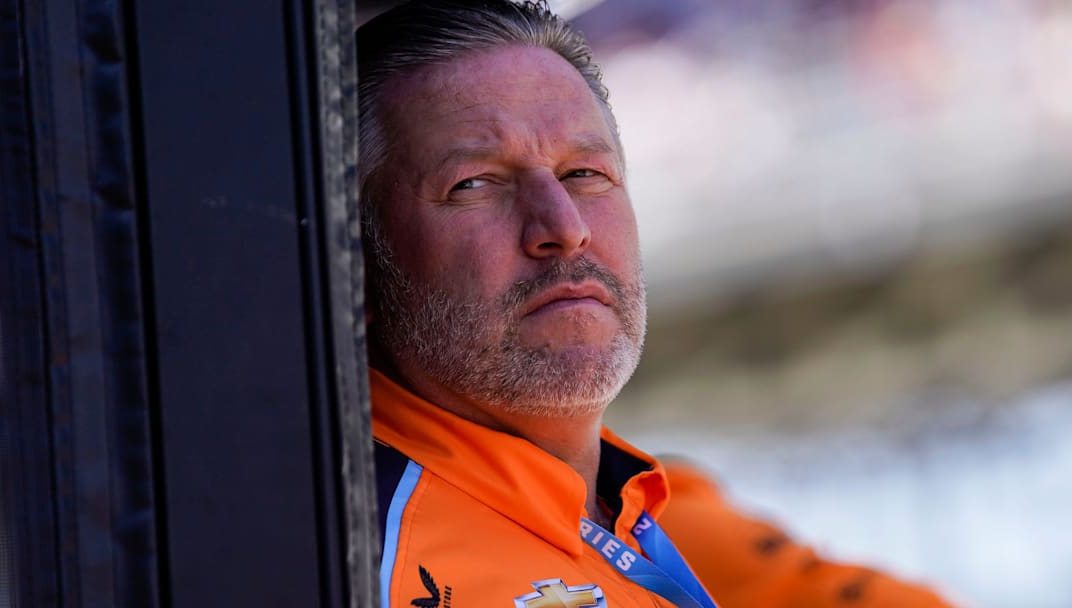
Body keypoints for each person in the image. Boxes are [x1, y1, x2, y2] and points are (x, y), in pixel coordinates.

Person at [358, 1, 954, 606]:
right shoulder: (353, 555)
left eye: (585, 173)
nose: (564, 226)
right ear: (354, 268)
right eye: (474, 184)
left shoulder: (646, 517)